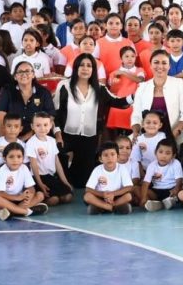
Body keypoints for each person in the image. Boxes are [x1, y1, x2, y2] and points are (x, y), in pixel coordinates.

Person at [54, 53, 136, 188]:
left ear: (93, 70)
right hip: (65, 135)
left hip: (90, 137)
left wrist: (135, 95)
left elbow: (118, 102)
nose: (85, 68)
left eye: (89, 66)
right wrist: (57, 134)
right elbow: (56, 112)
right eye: (82, 65)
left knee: (82, 180)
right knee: (62, 175)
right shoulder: (64, 86)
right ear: (76, 68)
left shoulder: (100, 88)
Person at [129, 49, 183, 142]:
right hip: (147, 138)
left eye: (164, 63)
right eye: (156, 62)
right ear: (150, 65)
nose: (160, 66)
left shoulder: (179, 84)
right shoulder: (142, 87)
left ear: (169, 66)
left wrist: (174, 134)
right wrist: (136, 132)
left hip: (175, 137)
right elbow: (136, 114)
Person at [0, 61, 56, 137]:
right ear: (15, 76)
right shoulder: (7, 91)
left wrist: (26, 137)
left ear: (33, 75)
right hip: (12, 137)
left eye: (27, 71)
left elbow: (50, 117)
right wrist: (4, 141)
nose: (24, 74)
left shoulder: (44, 92)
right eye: (20, 72)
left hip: (38, 136)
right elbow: (1, 119)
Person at [0, 142, 48, 220]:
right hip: (4, 202)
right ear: (4, 158)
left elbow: (31, 188)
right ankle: (27, 212)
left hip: (18, 201)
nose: (15, 160)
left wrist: (29, 197)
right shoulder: (1, 171)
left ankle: (11, 213)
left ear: (23, 158)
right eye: (11, 157)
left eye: (19, 157)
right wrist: (17, 197)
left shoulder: (24, 168)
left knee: (40, 195)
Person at [27, 112, 74, 207]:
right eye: (38, 125)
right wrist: (40, 183)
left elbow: (57, 162)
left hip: (51, 177)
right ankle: (38, 203)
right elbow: (33, 165)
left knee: (68, 197)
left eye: (45, 125)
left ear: (50, 125)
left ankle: (55, 195)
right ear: (32, 126)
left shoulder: (52, 141)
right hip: (38, 177)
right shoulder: (31, 143)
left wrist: (65, 181)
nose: (42, 128)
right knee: (54, 200)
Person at [84, 141, 134, 215]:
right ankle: (110, 207)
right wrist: (103, 195)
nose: (109, 158)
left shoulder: (122, 168)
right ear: (100, 159)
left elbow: (129, 187)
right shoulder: (97, 169)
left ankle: (102, 207)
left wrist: (113, 194)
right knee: (87, 196)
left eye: (112, 154)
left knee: (128, 196)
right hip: (101, 197)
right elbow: (88, 189)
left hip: (116, 196)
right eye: (105, 155)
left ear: (118, 157)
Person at [141, 137, 183, 211]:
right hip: (156, 191)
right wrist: (143, 198)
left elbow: (179, 180)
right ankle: (157, 204)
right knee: (137, 189)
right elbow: (146, 183)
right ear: (155, 152)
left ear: (173, 156)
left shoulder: (176, 163)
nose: (163, 156)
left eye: (168, 153)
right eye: (160, 152)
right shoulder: (152, 165)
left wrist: (176, 189)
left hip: (170, 191)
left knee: (181, 192)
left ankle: (165, 203)